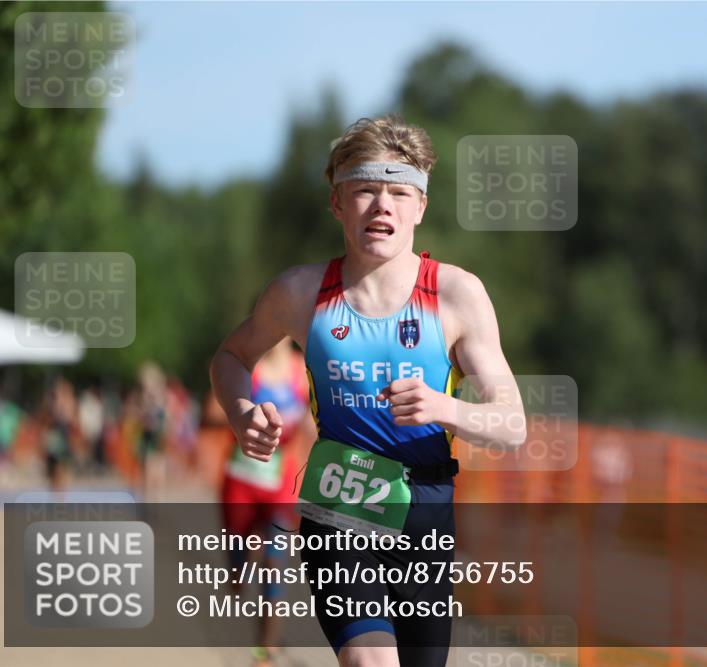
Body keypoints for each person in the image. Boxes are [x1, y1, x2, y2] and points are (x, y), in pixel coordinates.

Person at [210, 114, 526, 667]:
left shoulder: (456, 294)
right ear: (337, 204)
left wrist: (447, 407)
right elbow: (230, 358)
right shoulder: (300, 292)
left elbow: (513, 423)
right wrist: (241, 415)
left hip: (427, 510)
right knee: (371, 663)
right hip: (341, 503)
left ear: (420, 207)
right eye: (365, 191)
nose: (383, 206)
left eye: (399, 193)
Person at [219, 336, 313, 667]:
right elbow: (214, 407)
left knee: (275, 563)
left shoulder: (302, 368)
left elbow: (316, 418)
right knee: (240, 572)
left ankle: (265, 652)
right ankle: (239, 565)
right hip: (242, 480)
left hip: (279, 481)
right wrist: (242, 418)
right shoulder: (248, 361)